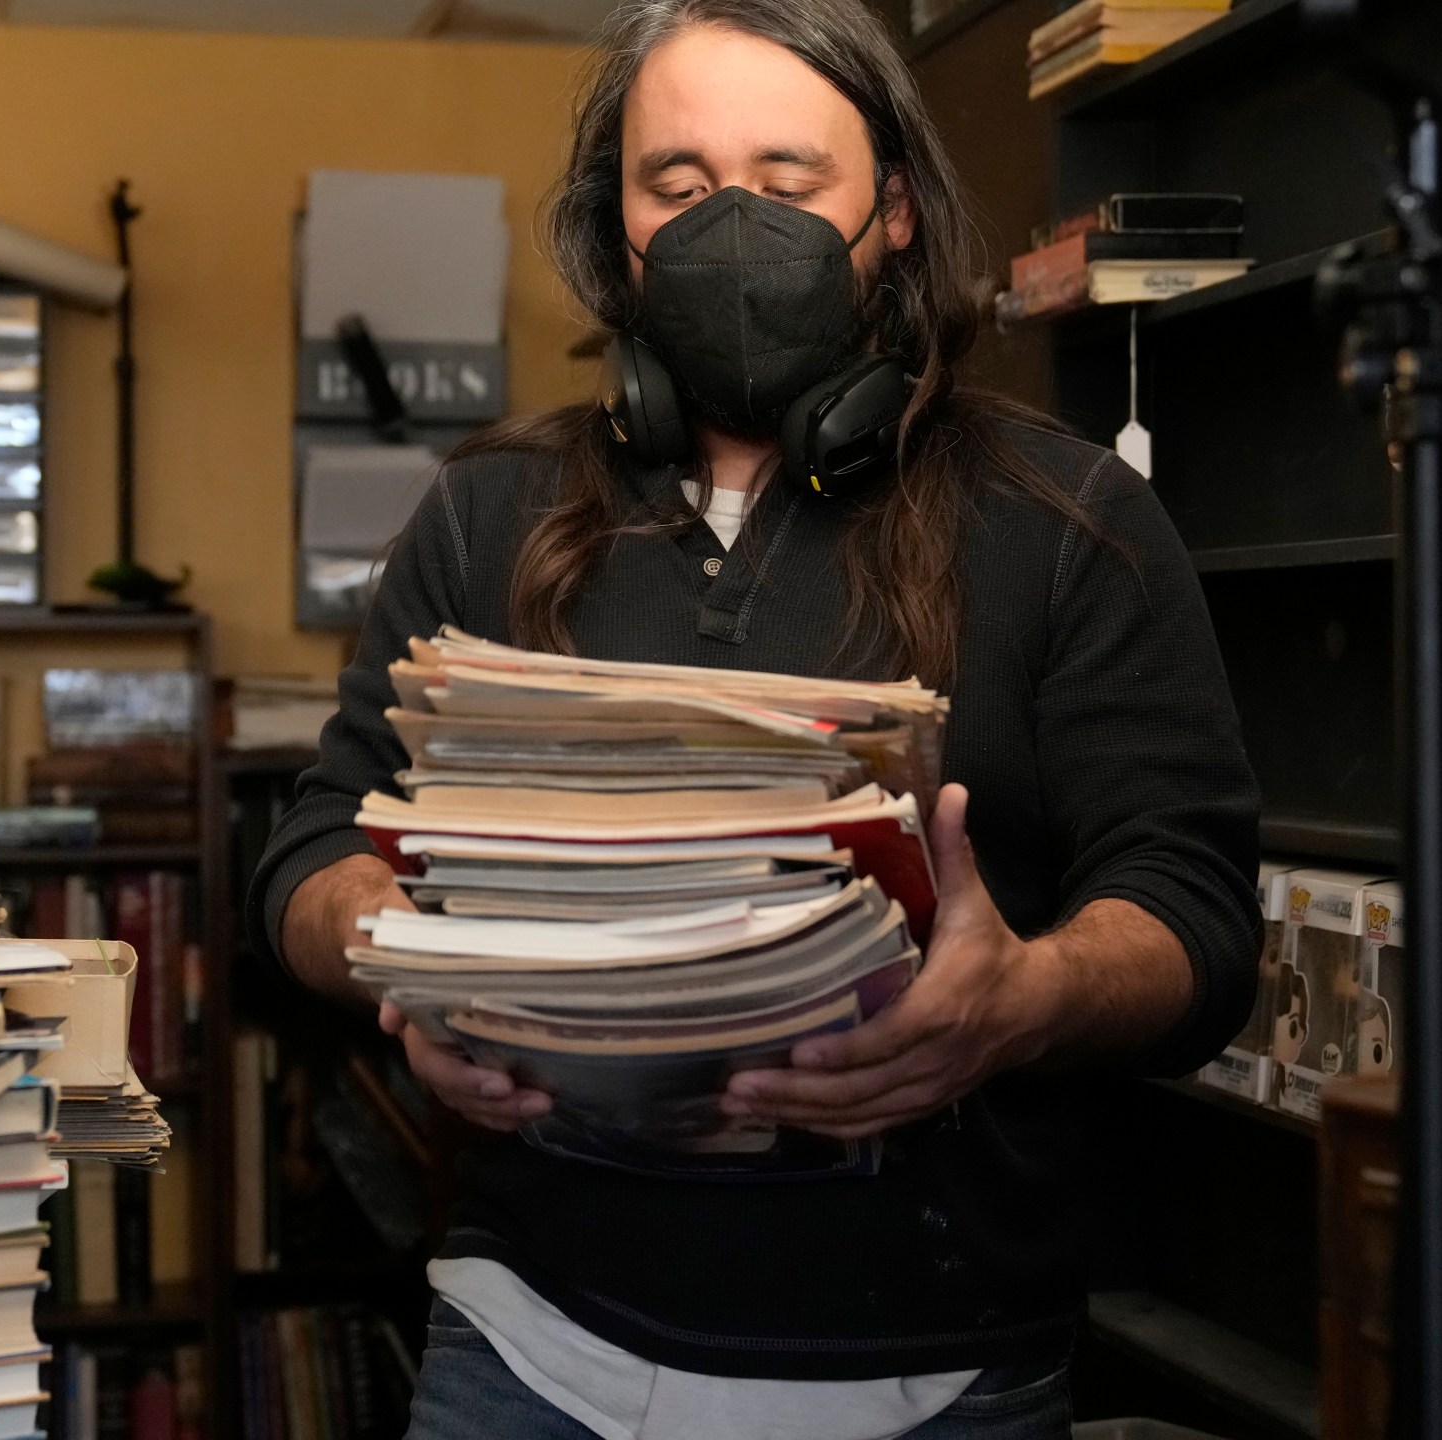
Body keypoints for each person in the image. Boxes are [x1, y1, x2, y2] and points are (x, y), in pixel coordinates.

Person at [248, 2, 1261, 1435]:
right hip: (527, 1351)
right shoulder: (485, 514)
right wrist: (402, 961)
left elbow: (1199, 918)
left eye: (790, 186)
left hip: (937, 1373)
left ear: (894, 209)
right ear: (619, 223)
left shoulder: (1076, 520)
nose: (734, 225)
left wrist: (1019, 997)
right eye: (679, 184)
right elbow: (305, 858)